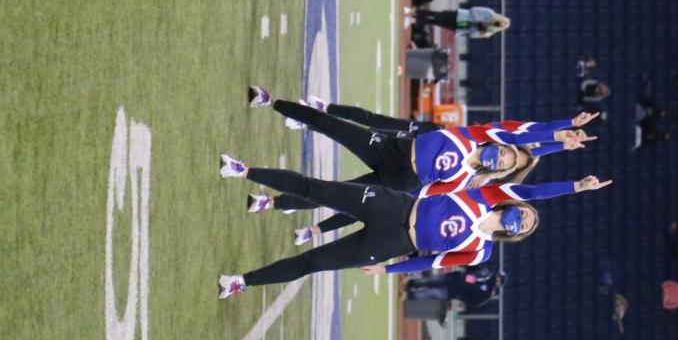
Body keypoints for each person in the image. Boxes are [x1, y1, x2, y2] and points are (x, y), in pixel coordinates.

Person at [246, 90, 599, 240]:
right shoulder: (480, 135)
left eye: (509, 162)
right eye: (508, 151)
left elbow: (532, 187)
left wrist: (573, 181)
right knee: (366, 124)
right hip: (412, 144)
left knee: (336, 196)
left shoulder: (476, 185)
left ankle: (274, 203)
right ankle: (289, 107)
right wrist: (563, 129)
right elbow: (524, 133)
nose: (506, 157)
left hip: (405, 181)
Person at [215, 170, 613, 296]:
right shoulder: (484, 196)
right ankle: (243, 171)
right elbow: (532, 190)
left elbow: (432, 262)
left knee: (312, 263)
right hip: (395, 205)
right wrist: (576, 187)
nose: (522, 221)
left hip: (392, 244)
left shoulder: (480, 253)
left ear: (518, 235)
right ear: (516, 206)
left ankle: (240, 282)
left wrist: (387, 271)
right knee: (317, 189)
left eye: (525, 228)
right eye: (525, 215)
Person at [413, 5, 510, 38]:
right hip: (460, 16)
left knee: (437, 22)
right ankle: (416, 11)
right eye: (502, 21)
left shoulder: (489, 32)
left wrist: (478, 30)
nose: (500, 23)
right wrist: (479, 21)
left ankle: (416, 19)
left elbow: (472, 35)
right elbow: (474, 10)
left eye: (502, 25)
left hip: (462, 26)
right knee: (438, 15)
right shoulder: (490, 13)